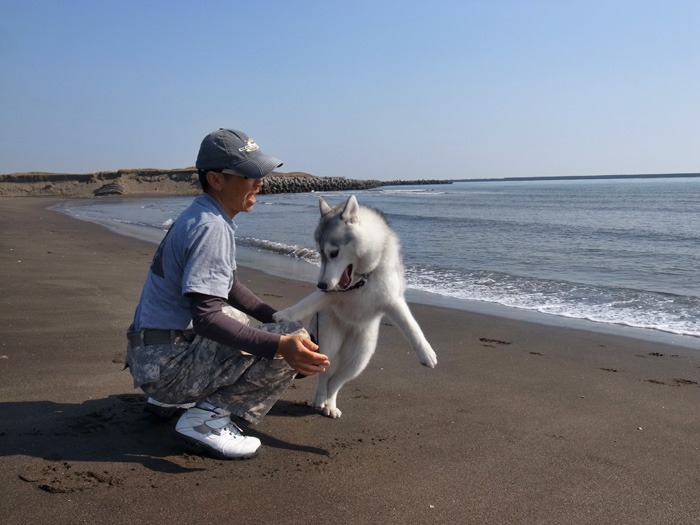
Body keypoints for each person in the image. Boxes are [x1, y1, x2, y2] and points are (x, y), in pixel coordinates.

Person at [125, 128, 330, 459]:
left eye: (260, 172)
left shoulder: (201, 213)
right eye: (249, 174)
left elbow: (228, 287)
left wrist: (276, 318)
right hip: (165, 367)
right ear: (216, 180)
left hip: (150, 351)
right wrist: (282, 343)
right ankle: (205, 420)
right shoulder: (212, 228)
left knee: (247, 320)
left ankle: (169, 400)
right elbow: (206, 320)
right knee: (289, 343)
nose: (260, 182)